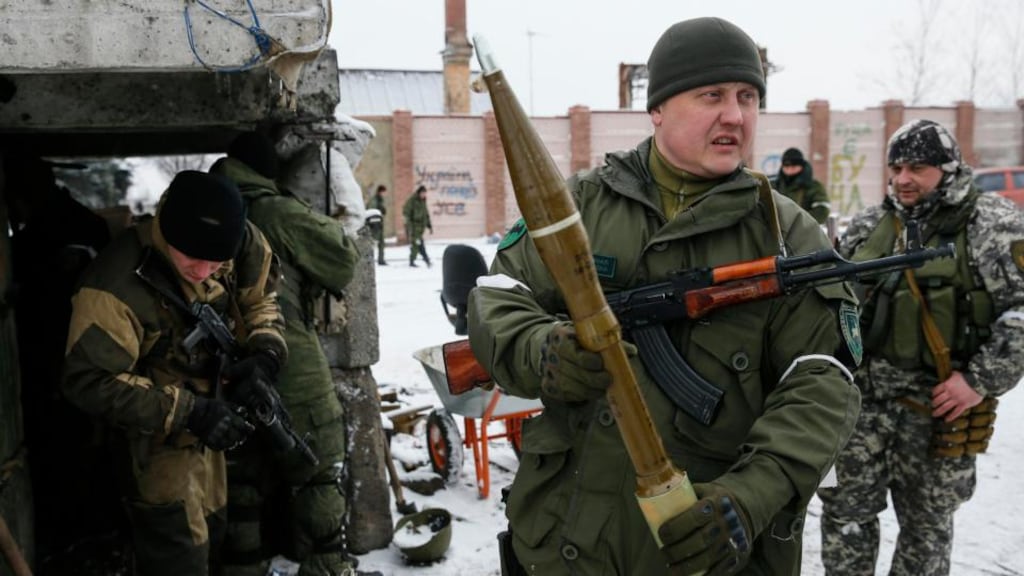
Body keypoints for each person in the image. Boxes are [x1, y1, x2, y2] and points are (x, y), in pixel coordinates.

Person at [467, 17, 862, 576]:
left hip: (702, 550)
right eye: (713, 95)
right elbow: (498, 296)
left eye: (748, 97)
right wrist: (544, 350)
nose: (736, 115)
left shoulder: (787, 237)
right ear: (657, 108)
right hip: (564, 545)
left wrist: (747, 499)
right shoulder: (575, 206)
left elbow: (824, 382)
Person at [817, 119, 1024, 575]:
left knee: (926, 528)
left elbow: (1020, 314)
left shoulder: (993, 226)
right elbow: (831, 305)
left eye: (917, 168)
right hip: (862, 407)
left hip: (937, 408)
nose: (903, 179)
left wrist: (978, 381)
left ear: (947, 169)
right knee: (844, 516)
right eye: (896, 167)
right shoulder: (871, 225)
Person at [62, 170, 288, 576]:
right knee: (178, 549)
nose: (204, 272)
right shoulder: (113, 287)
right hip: (154, 431)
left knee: (214, 528)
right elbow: (88, 381)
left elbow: (261, 299)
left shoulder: (240, 238)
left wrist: (265, 353)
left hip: (212, 416)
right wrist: (189, 412)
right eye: (192, 258)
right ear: (166, 232)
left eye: (217, 261)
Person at [210, 132, 361, 576]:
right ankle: (327, 566)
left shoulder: (208, 205)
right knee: (318, 469)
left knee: (240, 480)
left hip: (219, 366)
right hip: (288, 360)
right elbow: (341, 260)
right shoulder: (275, 211)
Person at [2, 151, 117, 563]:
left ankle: (76, 539)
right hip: (84, 366)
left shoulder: (49, 234)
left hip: (62, 368)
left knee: (67, 458)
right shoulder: (81, 225)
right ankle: (84, 538)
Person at [774, 147, 830, 224]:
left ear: (801, 166)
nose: (789, 170)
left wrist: (800, 223)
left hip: (804, 232)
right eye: (786, 167)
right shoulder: (774, 185)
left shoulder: (814, 187)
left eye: (793, 167)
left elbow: (822, 210)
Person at [402, 184, 432, 267]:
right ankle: (414, 261)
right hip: (414, 228)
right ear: (419, 193)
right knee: (417, 244)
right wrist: (408, 226)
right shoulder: (412, 200)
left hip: (420, 228)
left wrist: (429, 225)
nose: (424, 195)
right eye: (423, 193)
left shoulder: (423, 201)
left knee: (419, 244)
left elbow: (426, 214)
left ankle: (426, 259)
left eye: (425, 193)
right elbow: (406, 212)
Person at [368, 184, 388, 265]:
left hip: (380, 225)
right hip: (375, 226)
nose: (385, 194)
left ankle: (381, 260)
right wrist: (374, 225)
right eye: (384, 192)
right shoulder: (375, 200)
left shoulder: (380, 200)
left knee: (381, 243)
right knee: (372, 244)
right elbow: (372, 212)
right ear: (380, 192)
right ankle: (369, 260)